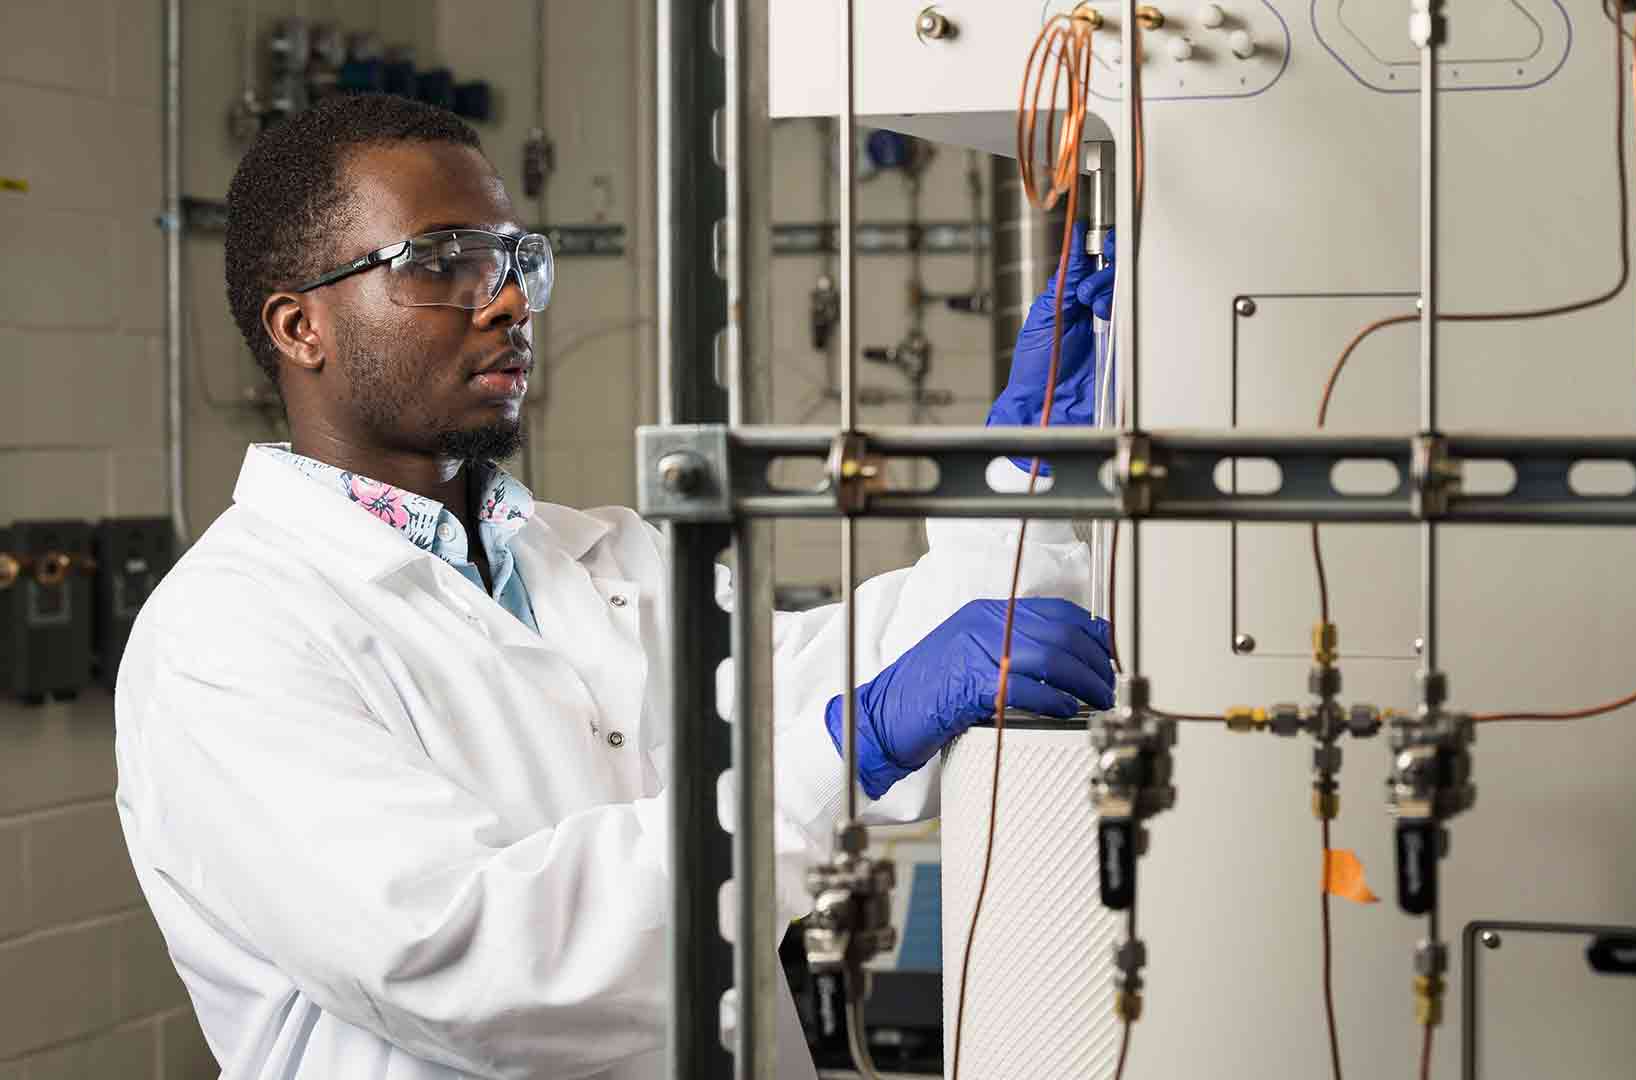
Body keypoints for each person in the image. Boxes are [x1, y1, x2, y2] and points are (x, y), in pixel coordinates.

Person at [112, 94, 1118, 1080]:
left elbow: (877, 678)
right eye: (442, 263)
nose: (505, 299)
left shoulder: (599, 557)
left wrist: (1021, 469)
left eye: (515, 260)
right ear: (300, 328)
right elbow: (467, 961)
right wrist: (853, 742)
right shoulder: (225, 639)